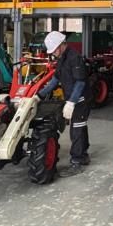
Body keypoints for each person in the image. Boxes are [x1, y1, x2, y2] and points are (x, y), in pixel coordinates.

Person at [37, 31, 90, 177]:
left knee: (76, 130)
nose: (53, 53)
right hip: (71, 98)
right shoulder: (61, 59)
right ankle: (84, 155)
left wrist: (71, 102)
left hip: (80, 100)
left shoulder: (75, 58)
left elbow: (80, 82)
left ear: (61, 45)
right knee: (80, 127)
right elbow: (55, 79)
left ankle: (77, 161)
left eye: (54, 50)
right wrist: (39, 95)